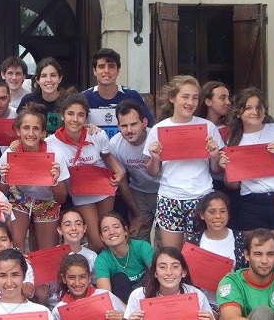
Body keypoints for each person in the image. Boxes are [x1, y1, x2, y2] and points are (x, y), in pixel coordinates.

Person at [143, 75, 224, 249]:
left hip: (201, 196)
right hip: (170, 197)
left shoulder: (207, 127)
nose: (190, 102)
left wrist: (215, 154)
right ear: (172, 98)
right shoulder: (159, 129)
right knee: (173, 254)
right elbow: (151, 172)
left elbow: (216, 170)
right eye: (185, 97)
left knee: (200, 254)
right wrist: (154, 157)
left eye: (195, 98)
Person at [220, 88, 274, 264]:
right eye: (248, 108)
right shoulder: (233, 139)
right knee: (257, 260)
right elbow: (233, 186)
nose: (254, 112)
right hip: (250, 203)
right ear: (239, 112)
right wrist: (227, 169)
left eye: (259, 107)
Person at [46, 93, 125, 253]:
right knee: (96, 240)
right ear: (62, 115)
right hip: (80, 192)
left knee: (108, 235)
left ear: (86, 118)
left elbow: (107, 156)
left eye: (80, 115)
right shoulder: (51, 143)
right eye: (70, 114)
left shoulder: (97, 134)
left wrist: (119, 171)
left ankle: (107, 272)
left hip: (104, 187)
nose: (75, 119)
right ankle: (92, 272)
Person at [0, 104, 70, 250]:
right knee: (15, 247)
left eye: (36, 128)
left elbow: (62, 199)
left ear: (43, 133)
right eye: (25, 128)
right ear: (18, 130)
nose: (31, 133)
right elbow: (0, 194)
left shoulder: (55, 155)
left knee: (47, 251)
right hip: (20, 198)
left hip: (48, 201)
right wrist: (4, 179)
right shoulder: (10, 154)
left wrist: (54, 181)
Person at [184, 192, 248, 318]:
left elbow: (250, 273)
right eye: (212, 212)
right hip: (202, 303)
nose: (218, 216)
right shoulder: (193, 242)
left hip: (233, 301)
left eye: (223, 211)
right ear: (202, 215)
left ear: (228, 214)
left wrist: (235, 278)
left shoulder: (241, 239)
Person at [110, 100, 160, 241]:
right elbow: (122, 181)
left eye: (133, 124)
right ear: (118, 126)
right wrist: (136, 214)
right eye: (124, 126)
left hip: (162, 191)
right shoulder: (115, 144)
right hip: (137, 192)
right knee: (136, 240)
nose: (129, 130)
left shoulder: (156, 138)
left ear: (144, 122)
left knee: (165, 243)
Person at [81, 48, 154, 139]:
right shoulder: (83, 98)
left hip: (126, 151)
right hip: (95, 151)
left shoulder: (132, 96)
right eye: (101, 66)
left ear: (118, 70)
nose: (106, 71)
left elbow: (149, 127)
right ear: (94, 71)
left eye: (111, 66)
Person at [94, 212, 154, 304]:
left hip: (148, 297)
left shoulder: (141, 246)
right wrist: (127, 313)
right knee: (119, 279)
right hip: (123, 305)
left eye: (116, 227)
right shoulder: (102, 260)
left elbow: (159, 274)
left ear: (125, 230)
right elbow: (106, 296)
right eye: (105, 230)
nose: (111, 232)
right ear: (102, 237)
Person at [18, 57, 66, 135]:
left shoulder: (68, 101)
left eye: (53, 75)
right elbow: (18, 126)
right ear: (37, 80)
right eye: (44, 76)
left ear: (60, 78)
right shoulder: (28, 100)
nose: (48, 80)